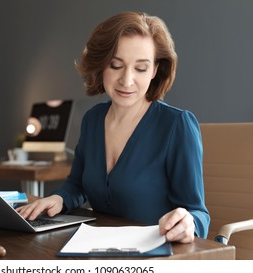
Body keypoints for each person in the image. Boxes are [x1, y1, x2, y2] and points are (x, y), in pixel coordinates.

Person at [17, 11, 210, 243]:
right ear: (101, 65)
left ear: (155, 70)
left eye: (140, 68)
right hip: (100, 250)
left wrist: (190, 223)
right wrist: (60, 199)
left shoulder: (177, 125)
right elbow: (77, 184)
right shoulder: (93, 120)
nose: (127, 80)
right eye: (116, 65)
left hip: (156, 256)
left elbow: (198, 214)